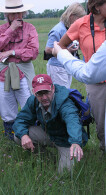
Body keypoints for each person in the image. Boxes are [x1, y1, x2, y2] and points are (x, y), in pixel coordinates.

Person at [13, 74, 88, 174]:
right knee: (18, 137)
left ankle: (68, 156)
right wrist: (23, 135)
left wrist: (75, 142)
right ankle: (49, 160)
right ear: (34, 93)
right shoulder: (33, 101)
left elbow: (73, 121)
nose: (44, 97)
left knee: (64, 173)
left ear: (53, 89)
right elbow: (21, 119)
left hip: (67, 141)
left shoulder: (64, 102)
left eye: (47, 92)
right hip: (49, 134)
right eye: (40, 94)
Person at [58, 0, 106, 151]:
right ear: (97, 6)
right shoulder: (81, 24)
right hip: (96, 83)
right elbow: (61, 45)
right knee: (101, 124)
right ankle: (104, 148)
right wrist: (72, 60)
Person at [0, 0, 39, 140]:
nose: (17, 15)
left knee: (28, 102)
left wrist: (11, 52)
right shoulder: (0, 29)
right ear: (7, 14)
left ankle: (32, 136)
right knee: (6, 105)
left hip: (23, 71)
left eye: (19, 12)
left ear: (24, 12)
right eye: (13, 13)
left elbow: (33, 52)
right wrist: (11, 30)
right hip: (4, 73)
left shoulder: (30, 29)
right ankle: (11, 139)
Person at [45, 3, 86, 88]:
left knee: (65, 93)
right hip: (57, 67)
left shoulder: (68, 28)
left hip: (65, 66)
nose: (80, 21)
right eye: (79, 18)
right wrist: (67, 50)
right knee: (62, 94)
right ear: (71, 16)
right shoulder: (58, 30)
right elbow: (48, 49)